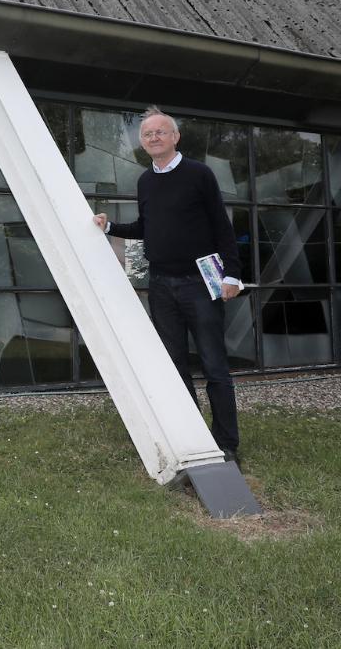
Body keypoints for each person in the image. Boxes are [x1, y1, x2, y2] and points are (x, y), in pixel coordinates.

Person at [92, 106, 243, 461]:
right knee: (174, 366)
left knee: (214, 367)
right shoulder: (145, 181)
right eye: (147, 134)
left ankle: (227, 444)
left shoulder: (199, 174)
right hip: (161, 285)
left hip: (200, 285)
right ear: (143, 143)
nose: (154, 138)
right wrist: (109, 227)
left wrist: (232, 274)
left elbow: (222, 226)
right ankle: (191, 437)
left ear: (175, 137)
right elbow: (146, 227)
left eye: (161, 132)